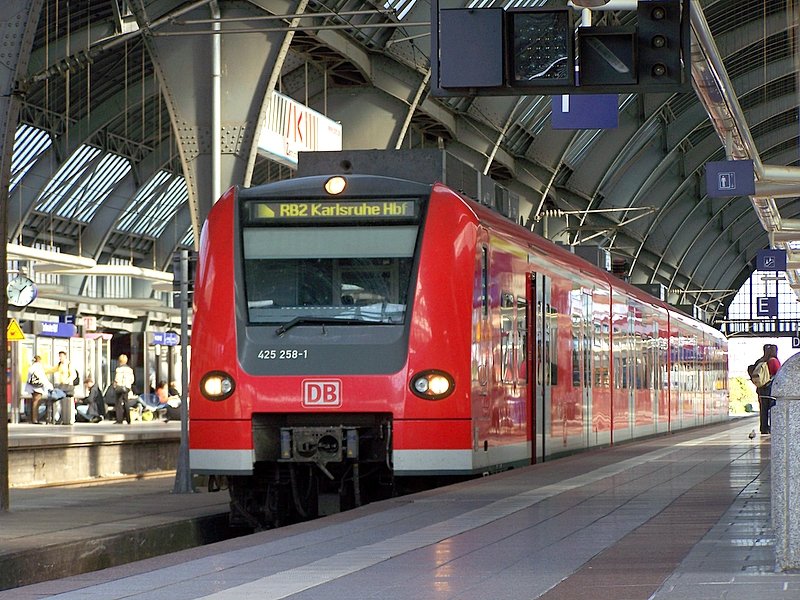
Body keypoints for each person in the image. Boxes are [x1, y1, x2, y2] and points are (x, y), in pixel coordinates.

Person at [749, 343, 781, 435]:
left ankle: (764, 428)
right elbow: (779, 374)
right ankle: (772, 427)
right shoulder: (773, 361)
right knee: (772, 409)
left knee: (763, 410)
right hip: (770, 389)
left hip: (761, 390)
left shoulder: (760, 361)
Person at [24, 356, 65, 424]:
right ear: (39, 361)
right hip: (38, 388)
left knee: (34, 402)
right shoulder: (38, 368)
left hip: (32, 387)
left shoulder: (31, 368)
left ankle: (32, 418)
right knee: (36, 403)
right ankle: (35, 419)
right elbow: (42, 378)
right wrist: (49, 385)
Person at [113, 354, 136, 424]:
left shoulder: (118, 369)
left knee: (118, 403)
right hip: (127, 387)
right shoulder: (130, 370)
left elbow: (117, 379)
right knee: (126, 402)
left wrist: (115, 385)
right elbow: (132, 380)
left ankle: (119, 419)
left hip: (120, 387)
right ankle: (128, 419)